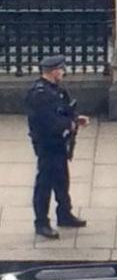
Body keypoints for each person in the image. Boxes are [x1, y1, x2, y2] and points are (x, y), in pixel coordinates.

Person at [25, 54, 90, 239]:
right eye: (61, 69)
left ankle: (64, 213)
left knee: (62, 180)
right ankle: (41, 222)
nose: (63, 72)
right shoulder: (40, 94)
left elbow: (63, 111)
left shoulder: (56, 91)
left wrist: (76, 119)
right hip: (47, 145)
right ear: (53, 71)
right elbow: (47, 121)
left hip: (59, 144)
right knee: (45, 183)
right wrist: (68, 125)